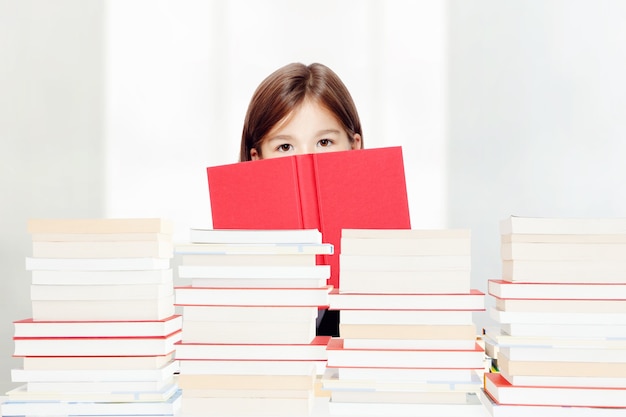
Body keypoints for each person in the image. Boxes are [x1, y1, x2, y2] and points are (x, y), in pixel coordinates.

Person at [239, 62, 364, 336]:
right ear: (256, 159)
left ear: (354, 147)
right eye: (285, 146)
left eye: (325, 142)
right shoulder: (233, 263)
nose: (306, 160)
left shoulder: (394, 256)